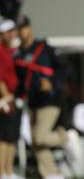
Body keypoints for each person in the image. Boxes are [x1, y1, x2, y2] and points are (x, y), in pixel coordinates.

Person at [13, 15, 69, 179]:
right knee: (36, 143)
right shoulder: (18, 55)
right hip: (33, 102)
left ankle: (65, 138)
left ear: (29, 28)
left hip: (50, 100)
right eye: (19, 29)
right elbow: (20, 82)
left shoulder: (44, 48)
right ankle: (51, 174)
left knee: (40, 136)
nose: (22, 32)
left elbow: (64, 68)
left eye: (24, 28)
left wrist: (52, 82)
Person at [0, 18, 21, 179]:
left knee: (12, 137)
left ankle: (8, 172)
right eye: (7, 31)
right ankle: (2, 173)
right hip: (4, 99)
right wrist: (6, 97)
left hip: (14, 97)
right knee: (3, 138)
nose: (11, 34)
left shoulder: (12, 50)